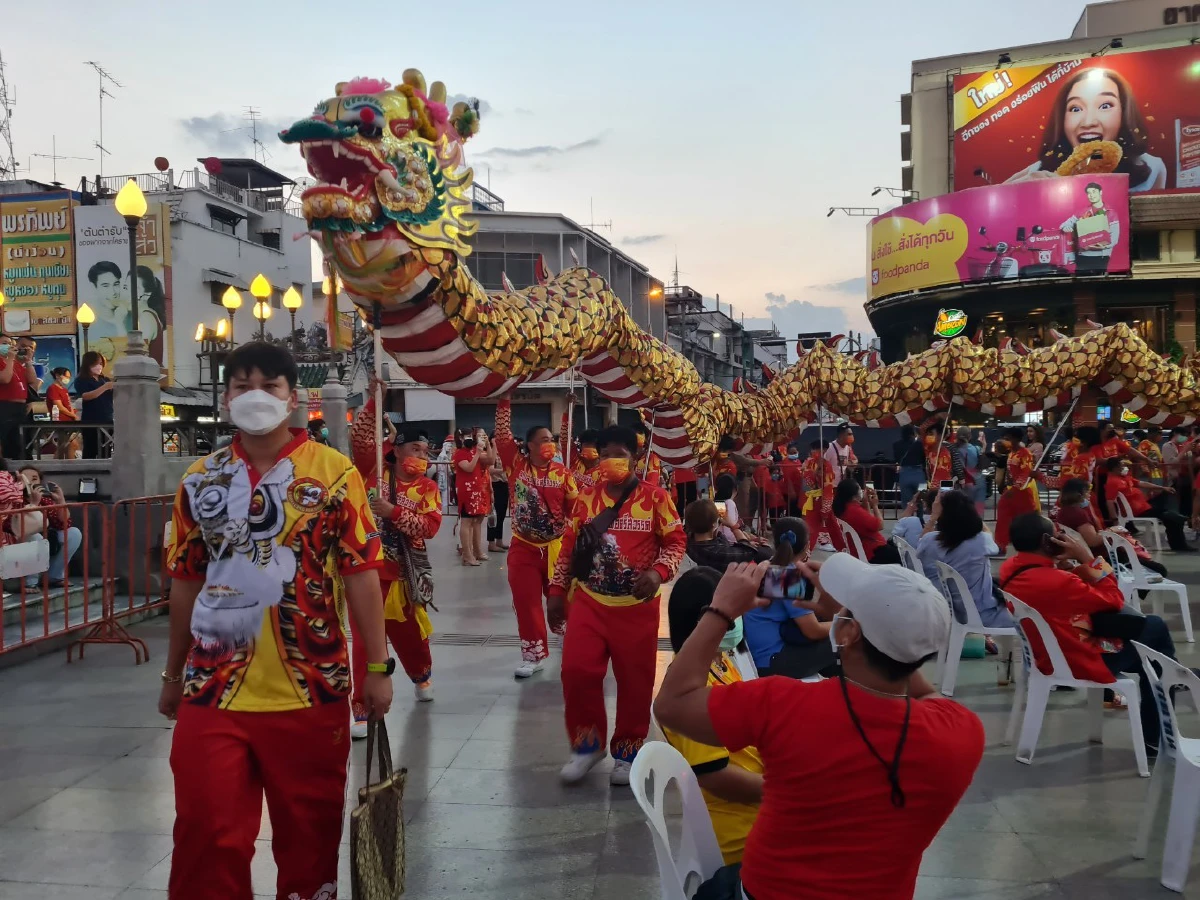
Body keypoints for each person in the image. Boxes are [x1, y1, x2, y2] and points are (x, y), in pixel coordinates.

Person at [159, 341, 391, 900]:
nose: (255, 396)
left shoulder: (335, 476)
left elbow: (362, 574)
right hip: (212, 689)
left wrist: (378, 666)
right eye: (241, 385)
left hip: (312, 689)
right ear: (225, 398)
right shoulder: (200, 478)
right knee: (206, 836)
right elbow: (186, 581)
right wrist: (172, 675)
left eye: (270, 385)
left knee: (309, 842)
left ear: (295, 399)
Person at [654, 556, 984, 900]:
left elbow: (670, 705)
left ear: (847, 632)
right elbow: (925, 692)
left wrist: (721, 611)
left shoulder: (781, 705)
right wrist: (859, 624)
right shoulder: (963, 733)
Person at [548, 424, 685, 785]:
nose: (610, 461)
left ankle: (628, 751)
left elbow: (676, 542)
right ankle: (587, 745)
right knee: (577, 672)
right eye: (605, 454)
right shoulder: (586, 498)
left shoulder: (656, 498)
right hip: (590, 602)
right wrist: (556, 592)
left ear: (635, 459)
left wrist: (658, 573)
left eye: (619, 455)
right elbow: (568, 548)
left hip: (636, 608)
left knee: (635, 682)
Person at [1000, 513, 1182, 755]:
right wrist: (1087, 557)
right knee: (1156, 641)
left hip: (1049, 651)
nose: (1061, 540)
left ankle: (1173, 677)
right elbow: (1115, 599)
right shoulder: (1057, 582)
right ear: (1046, 542)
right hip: (1079, 658)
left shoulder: (1011, 568)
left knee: (1153, 643)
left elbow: (1064, 592)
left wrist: (1068, 567)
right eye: (1057, 537)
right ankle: (1157, 733)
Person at [348, 380, 443, 728]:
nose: (420, 456)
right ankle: (362, 709)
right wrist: (375, 401)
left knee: (410, 639)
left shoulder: (428, 487)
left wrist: (394, 513)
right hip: (367, 572)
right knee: (363, 642)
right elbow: (359, 441)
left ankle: (420, 675)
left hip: (403, 576)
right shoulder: (372, 471)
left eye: (425, 451)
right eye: (414, 449)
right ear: (397, 450)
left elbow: (430, 527)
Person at [662, 566, 763, 866]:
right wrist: (785, 793)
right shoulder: (690, 688)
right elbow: (714, 776)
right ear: (703, 621)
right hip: (742, 833)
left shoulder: (719, 663)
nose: (737, 621)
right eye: (731, 611)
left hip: (756, 804)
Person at [495, 397, 578, 678]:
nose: (549, 443)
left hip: (556, 549)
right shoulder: (515, 466)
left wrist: (567, 412)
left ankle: (569, 638)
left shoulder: (563, 474)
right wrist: (504, 400)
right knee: (526, 602)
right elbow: (503, 437)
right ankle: (533, 655)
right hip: (524, 548)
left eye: (551, 439)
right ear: (529, 445)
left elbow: (575, 510)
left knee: (561, 599)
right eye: (543, 439)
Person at [1004, 68, 1166, 193]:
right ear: (1062, 117)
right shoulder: (1038, 172)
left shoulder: (1152, 168)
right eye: (1075, 108)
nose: (1088, 122)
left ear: (1123, 113)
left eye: (1105, 106)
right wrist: (1016, 194)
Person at [742, 517, 838, 679]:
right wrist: (849, 623)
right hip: (774, 662)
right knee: (849, 638)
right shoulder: (786, 577)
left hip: (763, 656)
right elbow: (813, 631)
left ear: (774, 543)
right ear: (807, 546)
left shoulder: (767, 566)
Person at [918, 490, 1013, 628]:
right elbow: (987, 534)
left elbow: (920, 545)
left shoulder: (931, 541)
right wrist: (969, 510)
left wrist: (933, 516)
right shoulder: (981, 541)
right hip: (983, 614)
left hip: (953, 610)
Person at [1103, 456, 1191, 551]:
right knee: (1173, 519)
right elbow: (1110, 502)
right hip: (1138, 511)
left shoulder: (1124, 478)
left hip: (1145, 505)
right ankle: (1180, 543)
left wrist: (1163, 488)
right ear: (1115, 468)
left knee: (1168, 506)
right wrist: (1115, 519)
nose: (1125, 467)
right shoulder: (1112, 482)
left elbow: (1142, 483)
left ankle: (1178, 524)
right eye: (1122, 465)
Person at [18, 466, 82, 588]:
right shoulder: (16, 498)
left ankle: (54, 576)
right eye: (26, 478)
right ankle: (30, 582)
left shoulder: (45, 499)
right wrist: (33, 504)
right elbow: (24, 526)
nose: (30, 482)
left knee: (74, 533)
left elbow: (64, 523)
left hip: (46, 538)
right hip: (21, 541)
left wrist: (60, 501)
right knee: (35, 537)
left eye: (34, 478)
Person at [685, 499, 771, 570]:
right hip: (720, 586)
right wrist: (733, 526)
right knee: (767, 553)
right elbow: (749, 552)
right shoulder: (716, 553)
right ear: (714, 524)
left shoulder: (689, 541)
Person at [832, 477, 899, 564]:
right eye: (860, 489)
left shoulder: (845, 508)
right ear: (854, 494)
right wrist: (875, 505)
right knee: (904, 556)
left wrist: (866, 503)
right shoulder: (854, 511)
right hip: (872, 551)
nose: (862, 491)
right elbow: (880, 525)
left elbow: (867, 519)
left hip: (864, 548)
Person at [453, 425, 492, 566]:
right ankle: (467, 555)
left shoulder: (473, 451)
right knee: (466, 522)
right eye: (466, 436)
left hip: (476, 490)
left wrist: (488, 444)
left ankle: (471, 553)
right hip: (466, 490)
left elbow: (490, 459)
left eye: (471, 435)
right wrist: (477, 454)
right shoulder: (459, 453)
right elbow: (468, 468)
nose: (470, 438)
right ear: (461, 438)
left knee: (473, 522)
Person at [74, 351, 113, 460]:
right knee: (90, 450)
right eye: (96, 364)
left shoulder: (104, 379)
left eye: (101, 363)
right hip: (91, 420)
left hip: (107, 419)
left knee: (106, 451)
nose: (99, 366)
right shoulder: (82, 380)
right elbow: (86, 396)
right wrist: (104, 388)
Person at [0, 336, 30, 460]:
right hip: (5, 406)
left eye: (11, 343)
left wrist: (28, 361)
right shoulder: (7, 362)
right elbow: (5, 379)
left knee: (21, 443)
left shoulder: (16, 363)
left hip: (20, 407)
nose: (9, 346)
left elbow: (32, 380)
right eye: (4, 343)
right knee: (6, 442)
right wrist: (10, 359)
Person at [45, 367, 79, 459]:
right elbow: (59, 407)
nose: (67, 379)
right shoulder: (53, 388)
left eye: (69, 377)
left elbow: (68, 405)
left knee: (68, 445)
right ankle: (61, 465)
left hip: (69, 421)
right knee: (65, 445)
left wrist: (73, 414)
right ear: (57, 376)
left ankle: (66, 465)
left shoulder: (64, 390)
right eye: (66, 376)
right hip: (60, 420)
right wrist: (73, 415)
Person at [953, 425, 985, 514]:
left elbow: (957, 466)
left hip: (964, 480)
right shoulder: (977, 448)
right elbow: (981, 464)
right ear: (970, 436)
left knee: (963, 510)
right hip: (978, 480)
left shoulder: (955, 450)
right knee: (978, 510)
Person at [487, 431, 510, 553]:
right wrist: (503, 470)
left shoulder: (504, 452)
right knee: (493, 515)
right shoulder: (491, 452)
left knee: (501, 514)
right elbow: (490, 470)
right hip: (494, 484)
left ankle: (499, 540)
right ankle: (491, 542)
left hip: (504, 484)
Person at [893, 423, 926, 506]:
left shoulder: (896, 445)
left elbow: (896, 458)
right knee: (921, 500)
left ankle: (908, 518)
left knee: (906, 502)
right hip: (920, 475)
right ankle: (920, 517)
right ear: (913, 432)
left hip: (904, 474)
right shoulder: (919, 444)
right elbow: (924, 459)